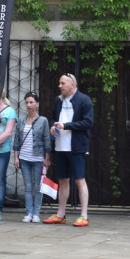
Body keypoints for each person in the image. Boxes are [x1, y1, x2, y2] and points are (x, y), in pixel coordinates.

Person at [44, 74, 93, 226]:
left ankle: (84, 215)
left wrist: (66, 126)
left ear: (72, 85)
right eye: (59, 83)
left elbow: (88, 122)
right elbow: (52, 118)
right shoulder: (57, 100)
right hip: (60, 146)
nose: (59, 85)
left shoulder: (84, 100)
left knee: (80, 179)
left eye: (62, 83)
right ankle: (61, 214)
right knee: (63, 180)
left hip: (76, 146)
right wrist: (53, 127)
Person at [13, 92, 51, 223]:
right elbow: (17, 140)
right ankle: (29, 212)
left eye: (31, 102)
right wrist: (16, 157)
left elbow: (47, 140)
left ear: (37, 104)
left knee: (38, 186)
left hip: (38, 158)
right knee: (28, 186)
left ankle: (36, 213)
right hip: (24, 157)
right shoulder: (21, 120)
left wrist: (47, 158)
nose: (29, 105)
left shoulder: (43, 121)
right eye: (27, 102)